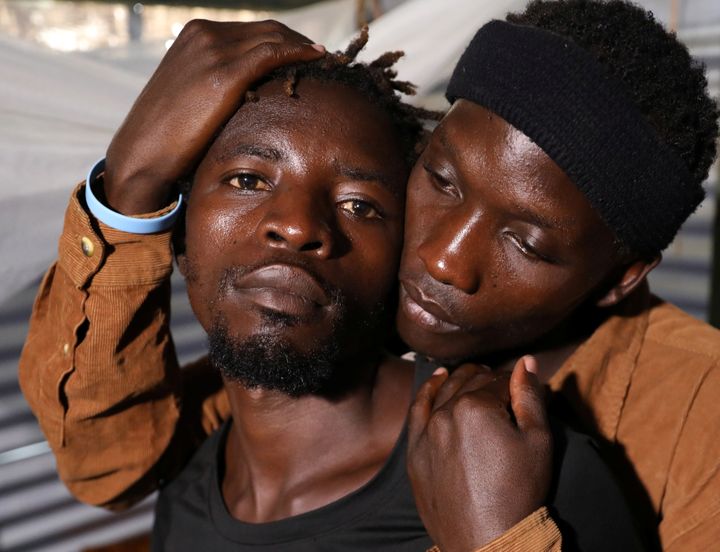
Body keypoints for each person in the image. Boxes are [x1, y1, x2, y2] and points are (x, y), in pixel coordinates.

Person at [19, 0, 720, 549]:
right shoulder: (333, 329)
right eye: (441, 180)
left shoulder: (694, 420)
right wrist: (131, 193)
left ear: (618, 278)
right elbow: (108, 462)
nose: (444, 257)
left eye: (527, 244)